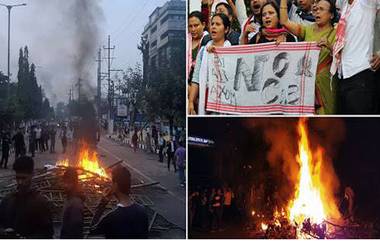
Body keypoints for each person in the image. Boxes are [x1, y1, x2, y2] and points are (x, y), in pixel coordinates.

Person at [280, 0, 338, 114]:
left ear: (331, 15)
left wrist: (330, 46)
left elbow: (343, 58)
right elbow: (284, 21)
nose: (317, 12)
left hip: (326, 86)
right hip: (306, 86)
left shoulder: (336, 33)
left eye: (321, 10)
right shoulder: (307, 30)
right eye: (316, 9)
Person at [331, 0, 380, 114]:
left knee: (361, 127)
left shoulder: (367, 3)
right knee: (346, 128)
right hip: (342, 74)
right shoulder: (344, 5)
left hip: (361, 72)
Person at [189, 13, 232, 115]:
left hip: (227, 104)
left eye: (218, 24)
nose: (213, 27)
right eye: (212, 24)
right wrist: (190, 102)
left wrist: (218, 54)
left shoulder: (232, 51)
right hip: (207, 104)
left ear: (226, 29)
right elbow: (196, 79)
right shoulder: (203, 51)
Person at [0, 156, 53, 238]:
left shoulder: (40, 203)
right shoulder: (7, 201)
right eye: (18, 178)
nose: (20, 182)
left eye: (23, 178)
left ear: (32, 175)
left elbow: (47, 233)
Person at [90, 165, 149, 238]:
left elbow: (92, 230)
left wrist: (103, 203)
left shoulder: (111, 218)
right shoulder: (142, 211)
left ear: (115, 186)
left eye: (111, 183)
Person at [60, 168, 84, 238]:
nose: (65, 185)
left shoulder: (75, 204)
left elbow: (75, 231)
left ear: (74, 183)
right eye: (64, 182)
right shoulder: (69, 199)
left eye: (68, 183)